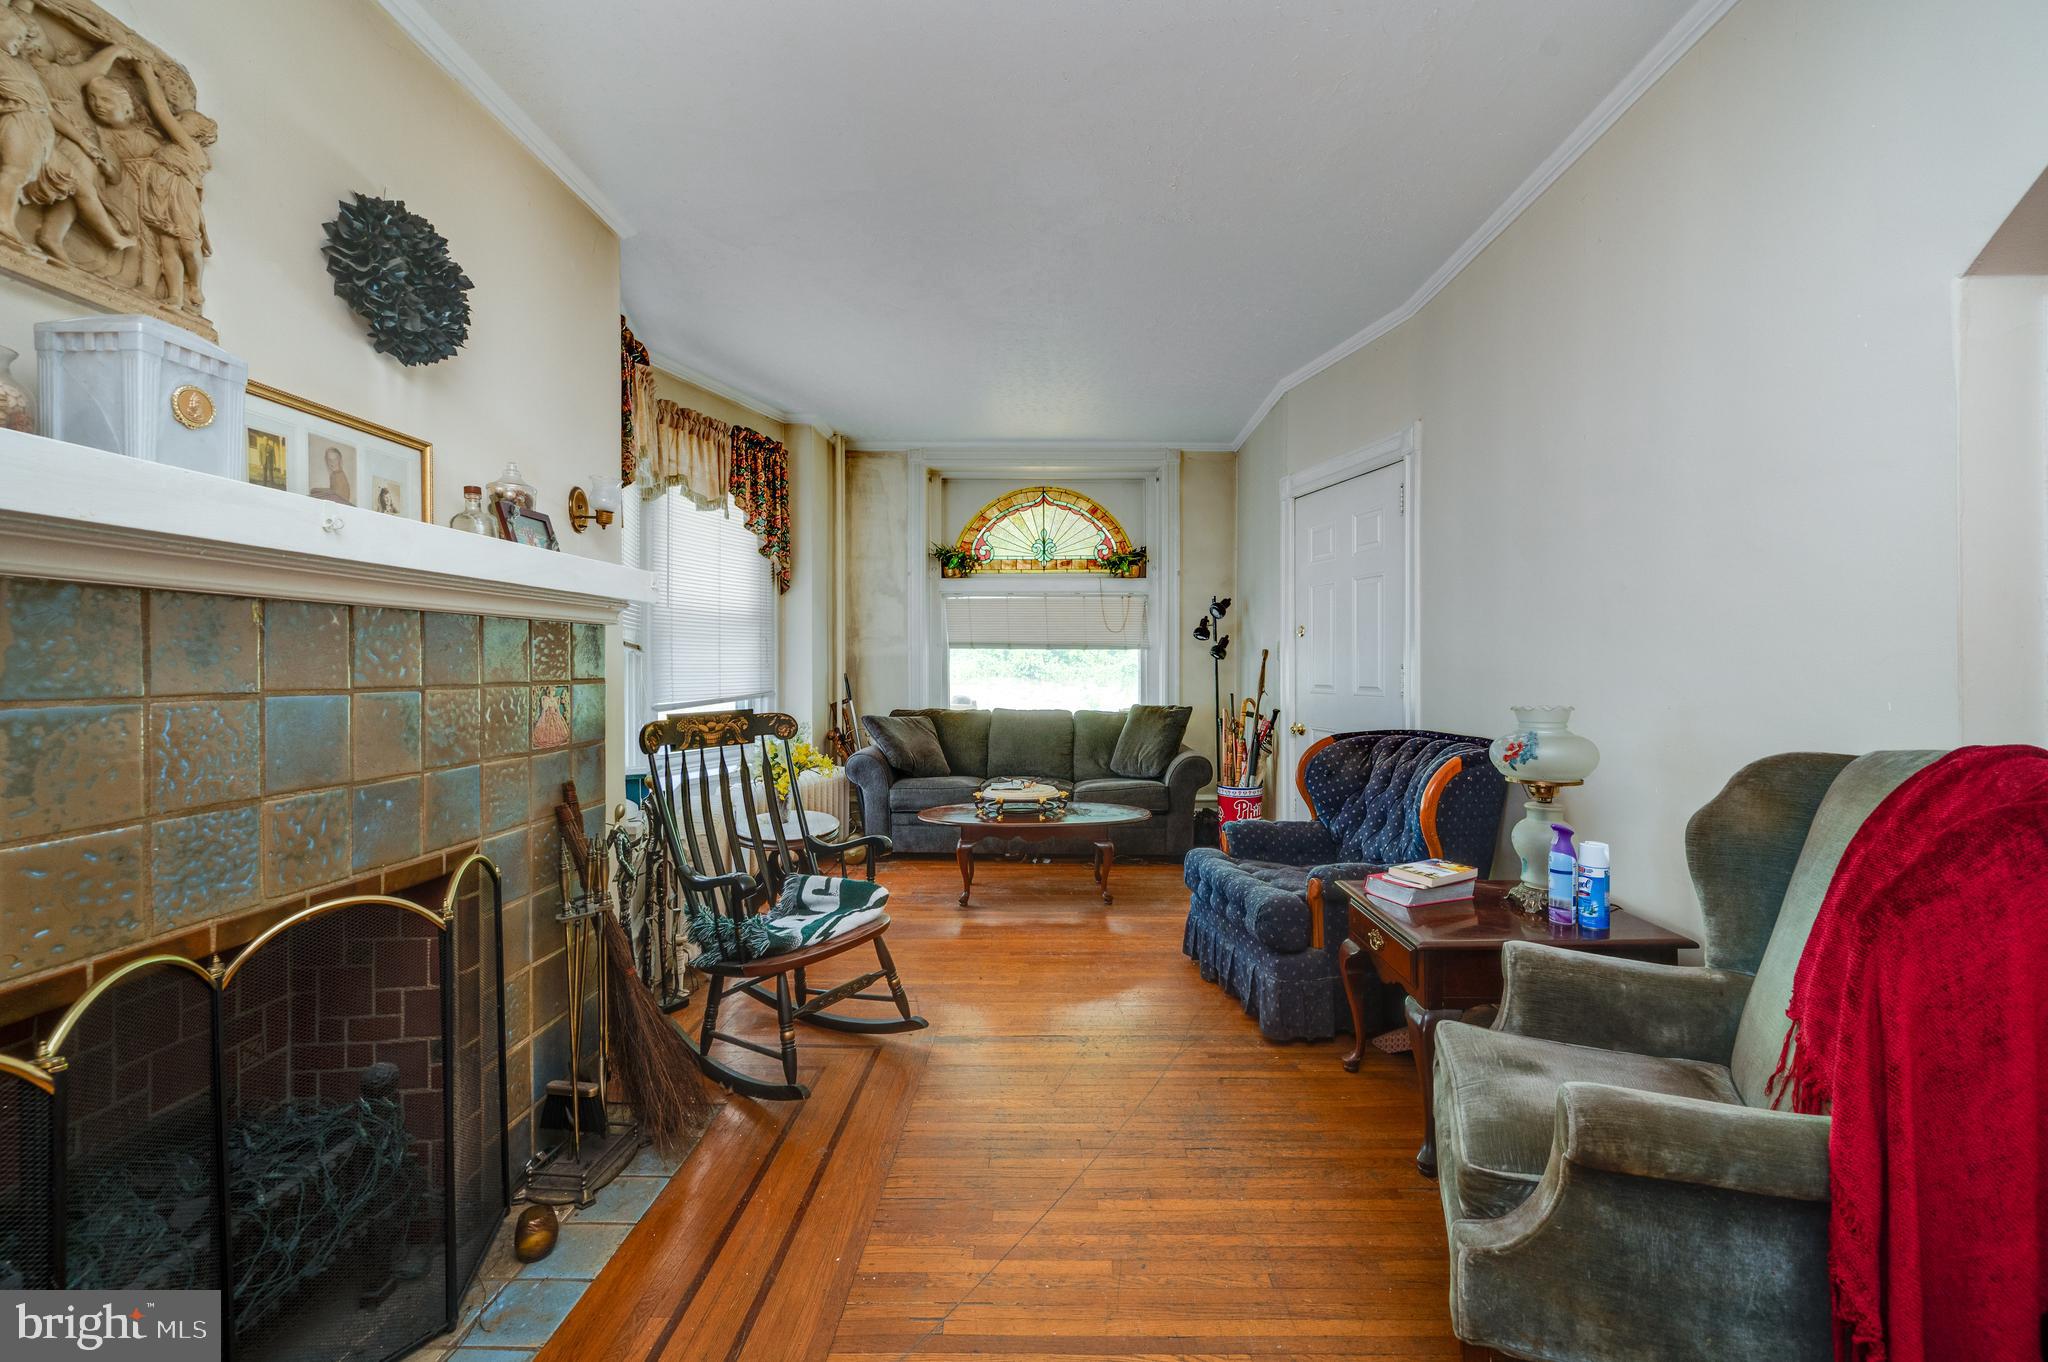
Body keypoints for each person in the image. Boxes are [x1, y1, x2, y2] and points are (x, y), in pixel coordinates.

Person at [133, 58, 210, 309]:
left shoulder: (189, 147)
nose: (177, 119)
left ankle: (194, 285)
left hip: (181, 198)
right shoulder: (169, 147)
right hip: (162, 196)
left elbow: (161, 112)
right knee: (167, 246)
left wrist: (147, 76)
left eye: (184, 119)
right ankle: (175, 296)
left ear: (196, 132)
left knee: (188, 246)